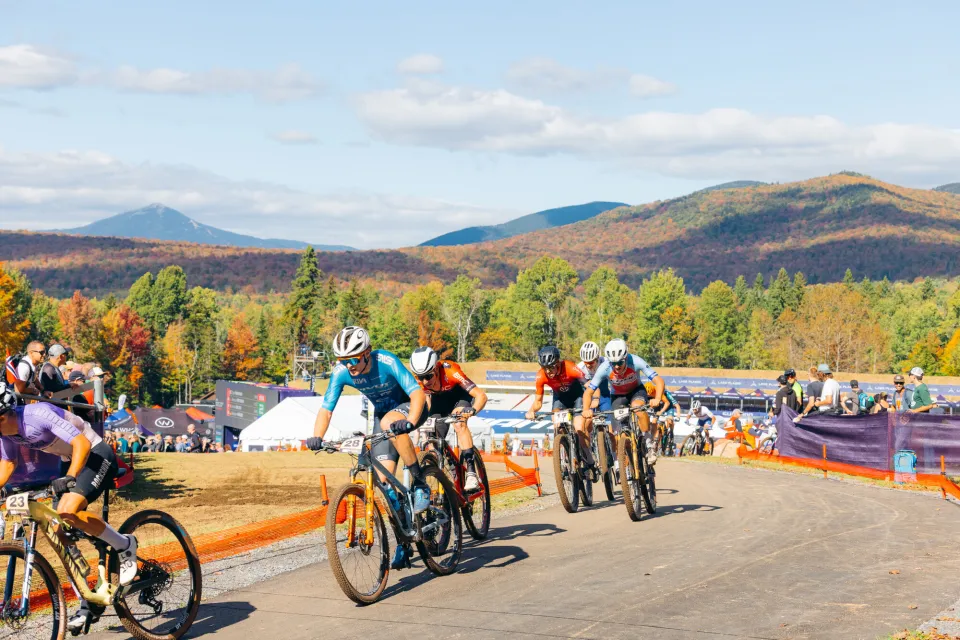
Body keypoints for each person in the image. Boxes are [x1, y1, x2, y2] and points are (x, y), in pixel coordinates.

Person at [0, 387, 137, 632]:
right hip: (69, 461)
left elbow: (81, 442)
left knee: (68, 510)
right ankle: (89, 599)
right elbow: (9, 463)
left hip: (94, 453)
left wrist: (72, 476)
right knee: (58, 532)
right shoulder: (5, 434)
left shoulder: (37, 414)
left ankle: (124, 544)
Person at [306, 326, 429, 571]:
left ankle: (419, 480)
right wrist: (317, 436)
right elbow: (326, 408)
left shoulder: (386, 360)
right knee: (384, 482)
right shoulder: (342, 372)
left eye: (352, 358)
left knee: (389, 423)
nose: (348, 365)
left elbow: (417, 394)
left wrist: (411, 422)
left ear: (367, 353)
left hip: (411, 406)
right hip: (383, 413)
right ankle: (405, 541)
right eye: (343, 360)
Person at [409, 346, 488, 491]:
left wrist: (473, 410)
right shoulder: (420, 381)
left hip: (459, 396)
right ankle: (441, 474)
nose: (425, 382)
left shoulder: (450, 371)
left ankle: (471, 472)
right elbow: (425, 402)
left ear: (437, 368)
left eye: (429, 376)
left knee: (459, 423)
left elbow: (481, 395)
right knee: (432, 435)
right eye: (420, 377)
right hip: (439, 402)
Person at [581, 339, 664, 465]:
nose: (617, 366)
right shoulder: (604, 368)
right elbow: (589, 392)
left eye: (620, 362)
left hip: (636, 391)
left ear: (625, 358)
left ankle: (648, 444)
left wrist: (657, 398)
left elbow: (658, 381)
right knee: (617, 429)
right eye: (613, 363)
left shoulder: (636, 361)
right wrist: (586, 409)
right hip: (618, 395)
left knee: (638, 408)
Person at [525, 346, 595, 472]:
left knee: (579, 428)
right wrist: (531, 411)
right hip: (560, 399)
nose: (548, 371)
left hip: (577, 397)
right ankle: (563, 452)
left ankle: (590, 460)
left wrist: (594, 398)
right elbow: (538, 402)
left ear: (558, 363)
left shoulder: (569, 367)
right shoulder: (541, 376)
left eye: (551, 367)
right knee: (557, 423)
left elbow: (588, 385)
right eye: (545, 368)